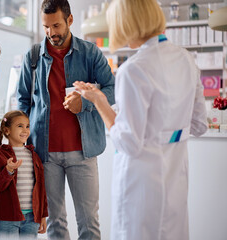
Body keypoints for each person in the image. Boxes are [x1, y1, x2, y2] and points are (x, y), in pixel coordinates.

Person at [73, 0, 208, 239]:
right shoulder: (186, 59)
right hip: (175, 179)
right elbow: (198, 125)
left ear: (126, 23)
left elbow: (128, 142)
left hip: (141, 184)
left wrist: (99, 102)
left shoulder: (134, 69)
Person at [17, 0, 115, 239]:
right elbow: (23, 101)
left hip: (83, 152)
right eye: (46, 27)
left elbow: (112, 88)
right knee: (55, 224)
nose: (51, 33)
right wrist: (20, 138)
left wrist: (86, 103)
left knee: (89, 223)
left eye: (56, 26)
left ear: (70, 21)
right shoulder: (32, 56)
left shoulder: (90, 53)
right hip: (45, 154)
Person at [0, 110, 48, 240]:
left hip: (32, 218)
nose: (25, 130)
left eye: (27, 126)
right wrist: (8, 170)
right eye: (20, 126)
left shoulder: (33, 156)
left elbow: (41, 188)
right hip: (8, 217)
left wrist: (42, 215)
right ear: (7, 131)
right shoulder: (0, 155)